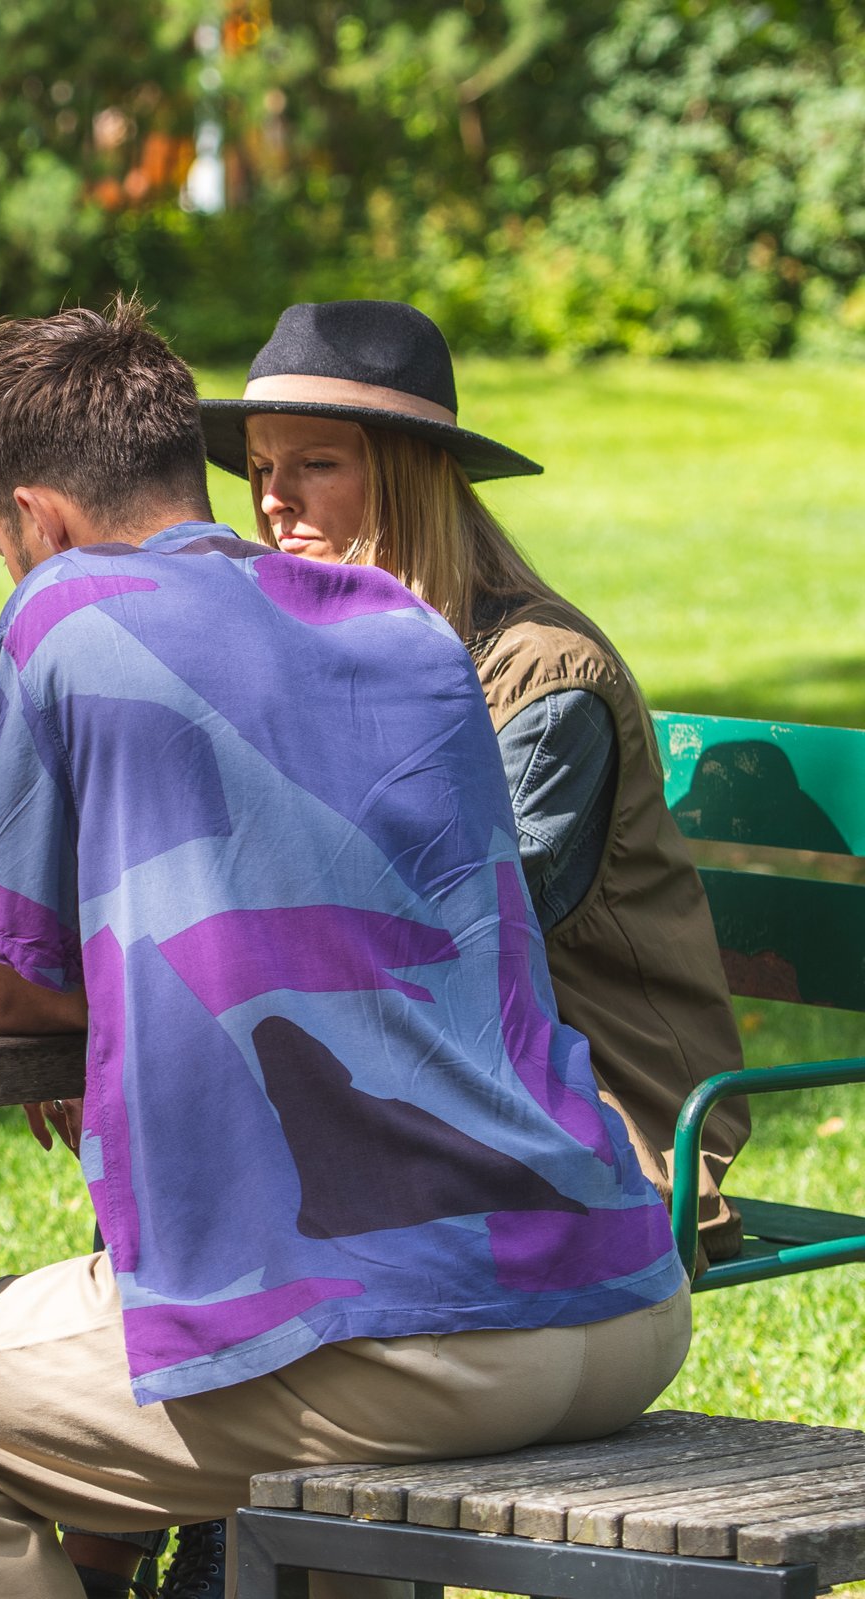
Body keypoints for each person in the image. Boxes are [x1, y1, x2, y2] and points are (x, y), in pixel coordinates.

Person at [0, 300, 689, 1599]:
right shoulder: (407, 631)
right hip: (622, 1293)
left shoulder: (67, 607)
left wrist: (121, 1008)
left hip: (406, 1337)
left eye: (4, 546)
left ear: (38, 521)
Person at [200, 300, 747, 1264]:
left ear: (408, 478)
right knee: (192, 1151)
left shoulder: (542, 676)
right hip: (428, 1072)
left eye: (316, 464)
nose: (274, 501)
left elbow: (466, 940)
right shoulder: (314, 659)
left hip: (594, 1104)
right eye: (260, 469)